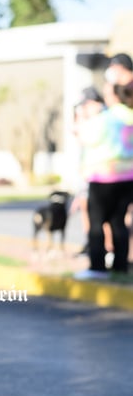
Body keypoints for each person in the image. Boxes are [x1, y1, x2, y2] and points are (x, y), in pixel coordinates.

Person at [74, 79, 133, 280]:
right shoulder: (130, 117)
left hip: (103, 177)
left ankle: (97, 267)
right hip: (127, 178)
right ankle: (120, 266)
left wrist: (82, 119)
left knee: (97, 223)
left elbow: (86, 138)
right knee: (118, 222)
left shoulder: (105, 119)